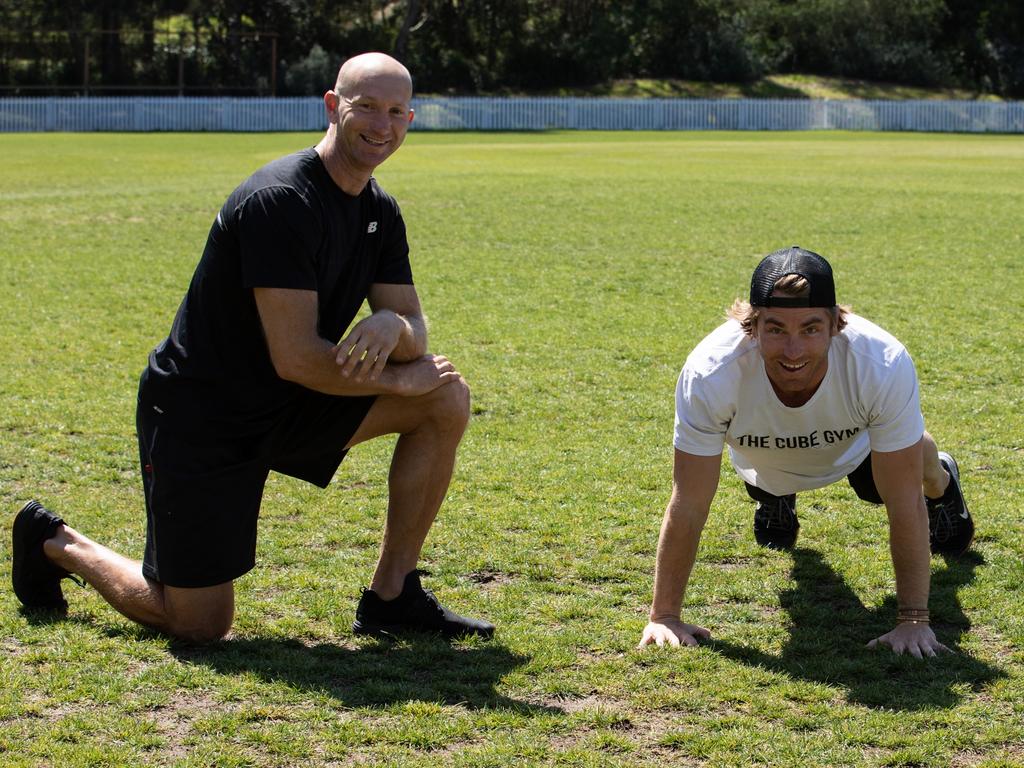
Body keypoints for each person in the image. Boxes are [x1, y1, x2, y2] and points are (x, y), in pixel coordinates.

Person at [12, 52, 494, 643]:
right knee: (200, 626)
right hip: (205, 417)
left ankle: (392, 595)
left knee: (444, 396)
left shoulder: (378, 210)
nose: (381, 124)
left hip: (291, 404)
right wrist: (396, 380)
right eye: (365, 106)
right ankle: (56, 543)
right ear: (331, 106)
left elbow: (415, 326)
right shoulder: (280, 201)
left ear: (411, 120)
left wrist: (393, 324)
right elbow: (296, 357)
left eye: (396, 111)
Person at [638, 246, 973, 658]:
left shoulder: (880, 362)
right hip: (764, 457)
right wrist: (664, 615)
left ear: (836, 324)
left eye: (810, 329)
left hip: (855, 448)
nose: (793, 351)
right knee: (772, 478)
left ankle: (942, 482)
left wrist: (913, 620)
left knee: (892, 477)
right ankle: (776, 497)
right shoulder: (710, 372)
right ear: (751, 326)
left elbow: (904, 501)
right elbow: (688, 501)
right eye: (776, 329)